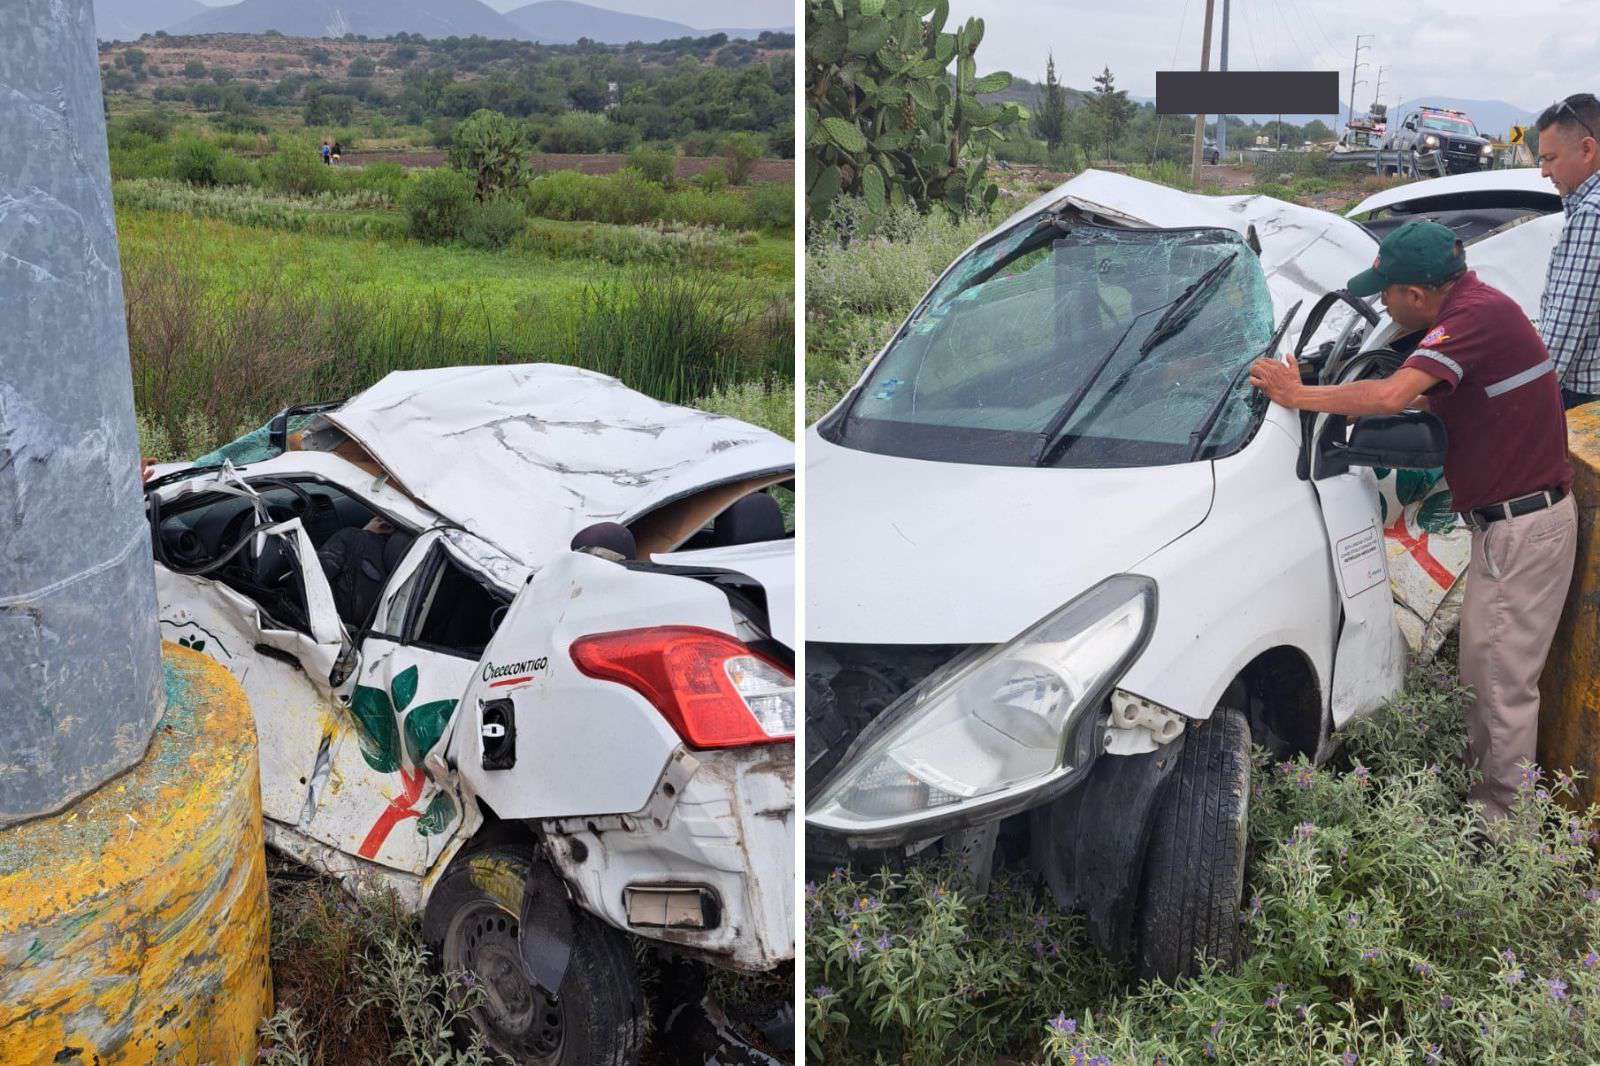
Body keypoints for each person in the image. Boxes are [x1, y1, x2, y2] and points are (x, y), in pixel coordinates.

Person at [1250, 220, 1577, 824]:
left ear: (1419, 296)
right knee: (1487, 675)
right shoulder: (1479, 310)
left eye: (1388, 293)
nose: (1385, 304)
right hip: (1515, 524)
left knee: (1500, 687)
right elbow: (1435, 397)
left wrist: (1299, 396)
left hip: (1522, 528)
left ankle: (1502, 835)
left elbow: (1390, 398)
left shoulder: (1469, 319)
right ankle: (1492, 807)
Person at [1534, 93, 1600, 409]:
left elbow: (1564, 327)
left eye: (1549, 158)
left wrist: (1527, 400)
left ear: (1587, 149)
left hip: (1581, 396)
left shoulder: (1593, 213)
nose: (1544, 172)